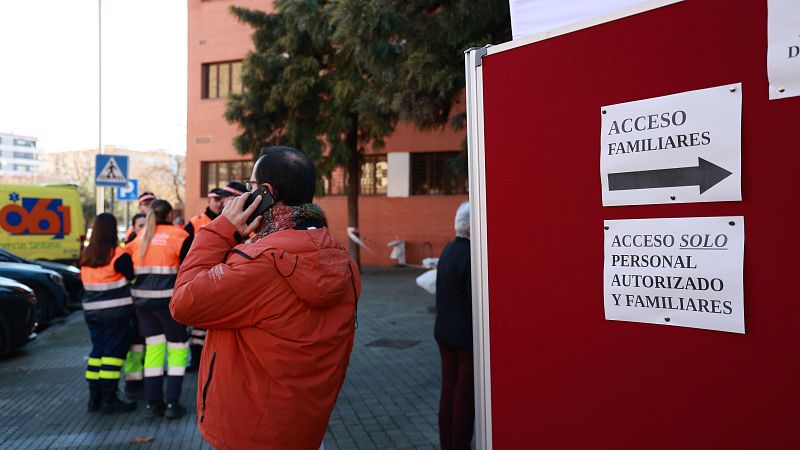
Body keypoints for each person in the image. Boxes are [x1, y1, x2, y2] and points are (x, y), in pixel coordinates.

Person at [171, 146, 360, 450]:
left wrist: (220, 231)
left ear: (266, 194)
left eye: (250, 187)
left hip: (252, 434)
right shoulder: (341, 259)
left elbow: (182, 303)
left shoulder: (260, 262)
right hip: (306, 429)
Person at [127, 199, 192, 419]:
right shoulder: (180, 236)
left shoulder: (138, 238)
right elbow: (190, 267)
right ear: (171, 214)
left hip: (143, 303)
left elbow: (128, 269)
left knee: (154, 350)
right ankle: (172, 405)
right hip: (169, 303)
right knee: (178, 349)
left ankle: (153, 404)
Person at [80, 213, 137, 414]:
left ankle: (93, 399)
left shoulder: (86, 255)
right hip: (116, 312)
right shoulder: (119, 254)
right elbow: (133, 278)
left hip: (91, 312)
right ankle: (109, 400)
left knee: (97, 352)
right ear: (112, 230)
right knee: (112, 355)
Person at [434, 202, 474, 450]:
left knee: (448, 391)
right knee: (465, 399)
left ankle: (446, 443)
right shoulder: (472, 256)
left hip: (444, 333)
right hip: (466, 341)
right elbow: (476, 304)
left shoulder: (448, 250)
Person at [122, 212, 147, 399]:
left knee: (148, 345)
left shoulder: (153, 246)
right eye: (140, 225)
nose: (144, 228)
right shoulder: (129, 249)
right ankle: (132, 383)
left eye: (147, 224)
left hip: (146, 305)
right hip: (132, 306)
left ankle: (146, 379)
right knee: (135, 346)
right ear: (133, 227)